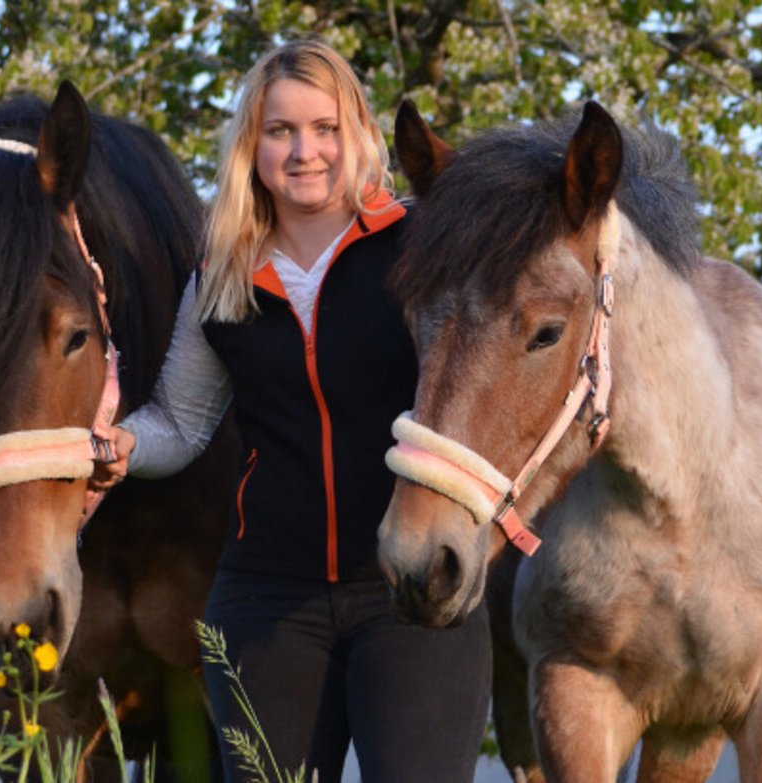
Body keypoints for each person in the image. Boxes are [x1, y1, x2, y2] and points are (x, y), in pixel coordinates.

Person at [103, 39, 491, 783]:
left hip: (407, 592)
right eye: (281, 131)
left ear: (358, 136)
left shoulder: (420, 248)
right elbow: (181, 426)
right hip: (265, 599)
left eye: (324, 128)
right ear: (253, 146)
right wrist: (111, 445)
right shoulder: (219, 276)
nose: (304, 150)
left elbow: (482, 394)